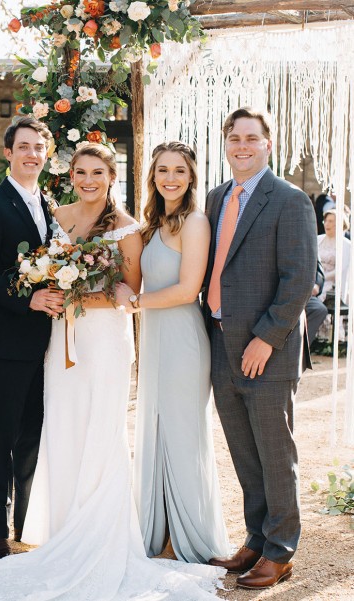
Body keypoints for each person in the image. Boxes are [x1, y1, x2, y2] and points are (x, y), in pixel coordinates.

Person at [0, 143, 226, 601]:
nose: (88, 180)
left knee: (101, 431)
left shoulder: (126, 229)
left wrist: (75, 293)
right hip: (59, 343)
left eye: (97, 172)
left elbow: (129, 292)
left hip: (102, 342)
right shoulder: (55, 217)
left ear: (112, 176)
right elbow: (29, 273)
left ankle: (100, 532)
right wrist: (52, 287)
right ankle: (62, 528)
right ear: (71, 176)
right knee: (62, 428)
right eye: (80, 171)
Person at [203, 107, 317, 589]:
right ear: (226, 144)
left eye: (252, 138)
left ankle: (281, 550)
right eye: (234, 138)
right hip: (219, 342)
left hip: (266, 350)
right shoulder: (214, 198)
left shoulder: (289, 200)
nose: (242, 146)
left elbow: (299, 280)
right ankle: (256, 538)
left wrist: (265, 339)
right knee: (244, 453)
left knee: (274, 453)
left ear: (268, 144)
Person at [116, 142, 230, 563]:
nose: (170, 178)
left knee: (182, 435)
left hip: (183, 339)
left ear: (191, 177)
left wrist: (134, 302)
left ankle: (190, 536)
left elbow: (186, 290)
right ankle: (160, 530)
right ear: (153, 177)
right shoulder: (154, 223)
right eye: (162, 170)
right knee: (157, 429)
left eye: (179, 171)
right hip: (156, 338)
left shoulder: (195, 222)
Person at [0, 116, 65, 561]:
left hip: (49, 342)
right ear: (8, 153)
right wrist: (29, 300)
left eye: (38, 148)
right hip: (5, 343)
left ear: (46, 155)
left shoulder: (49, 205)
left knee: (33, 435)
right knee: (1, 437)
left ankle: (24, 520)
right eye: (23, 146)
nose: (31, 154)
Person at [316, 208, 351, 341]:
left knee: (322, 292)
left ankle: (327, 336)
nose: (327, 224)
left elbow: (343, 269)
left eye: (331, 221)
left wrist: (322, 278)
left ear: (340, 224)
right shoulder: (318, 239)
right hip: (316, 278)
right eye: (326, 221)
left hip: (333, 281)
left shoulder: (346, 245)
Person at [305, 260, 328, 344]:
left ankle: (302, 351)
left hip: (303, 291)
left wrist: (317, 284)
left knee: (318, 309)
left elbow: (318, 268)